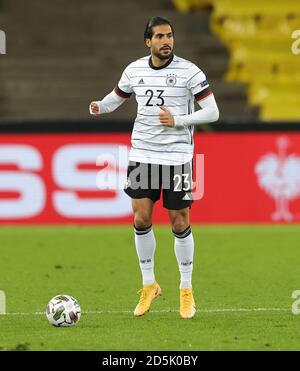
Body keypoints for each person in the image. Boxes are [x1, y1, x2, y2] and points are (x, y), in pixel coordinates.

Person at [90, 16, 219, 319]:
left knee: (179, 221)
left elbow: (212, 112)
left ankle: (185, 290)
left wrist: (179, 120)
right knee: (140, 217)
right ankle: (149, 285)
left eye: (170, 36)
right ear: (148, 41)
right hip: (143, 154)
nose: (166, 41)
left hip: (177, 158)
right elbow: (117, 98)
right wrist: (99, 106)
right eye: (159, 36)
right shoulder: (134, 70)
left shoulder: (190, 72)